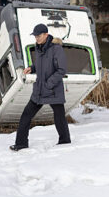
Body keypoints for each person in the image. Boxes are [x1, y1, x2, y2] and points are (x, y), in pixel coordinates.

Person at [11, 23, 70, 151]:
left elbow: (61, 70)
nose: (36, 38)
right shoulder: (39, 48)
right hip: (39, 90)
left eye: (38, 36)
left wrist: (49, 84)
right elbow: (40, 64)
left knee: (59, 117)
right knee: (26, 115)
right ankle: (21, 144)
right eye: (35, 36)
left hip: (52, 90)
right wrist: (31, 68)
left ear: (46, 35)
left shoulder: (56, 49)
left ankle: (65, 141)